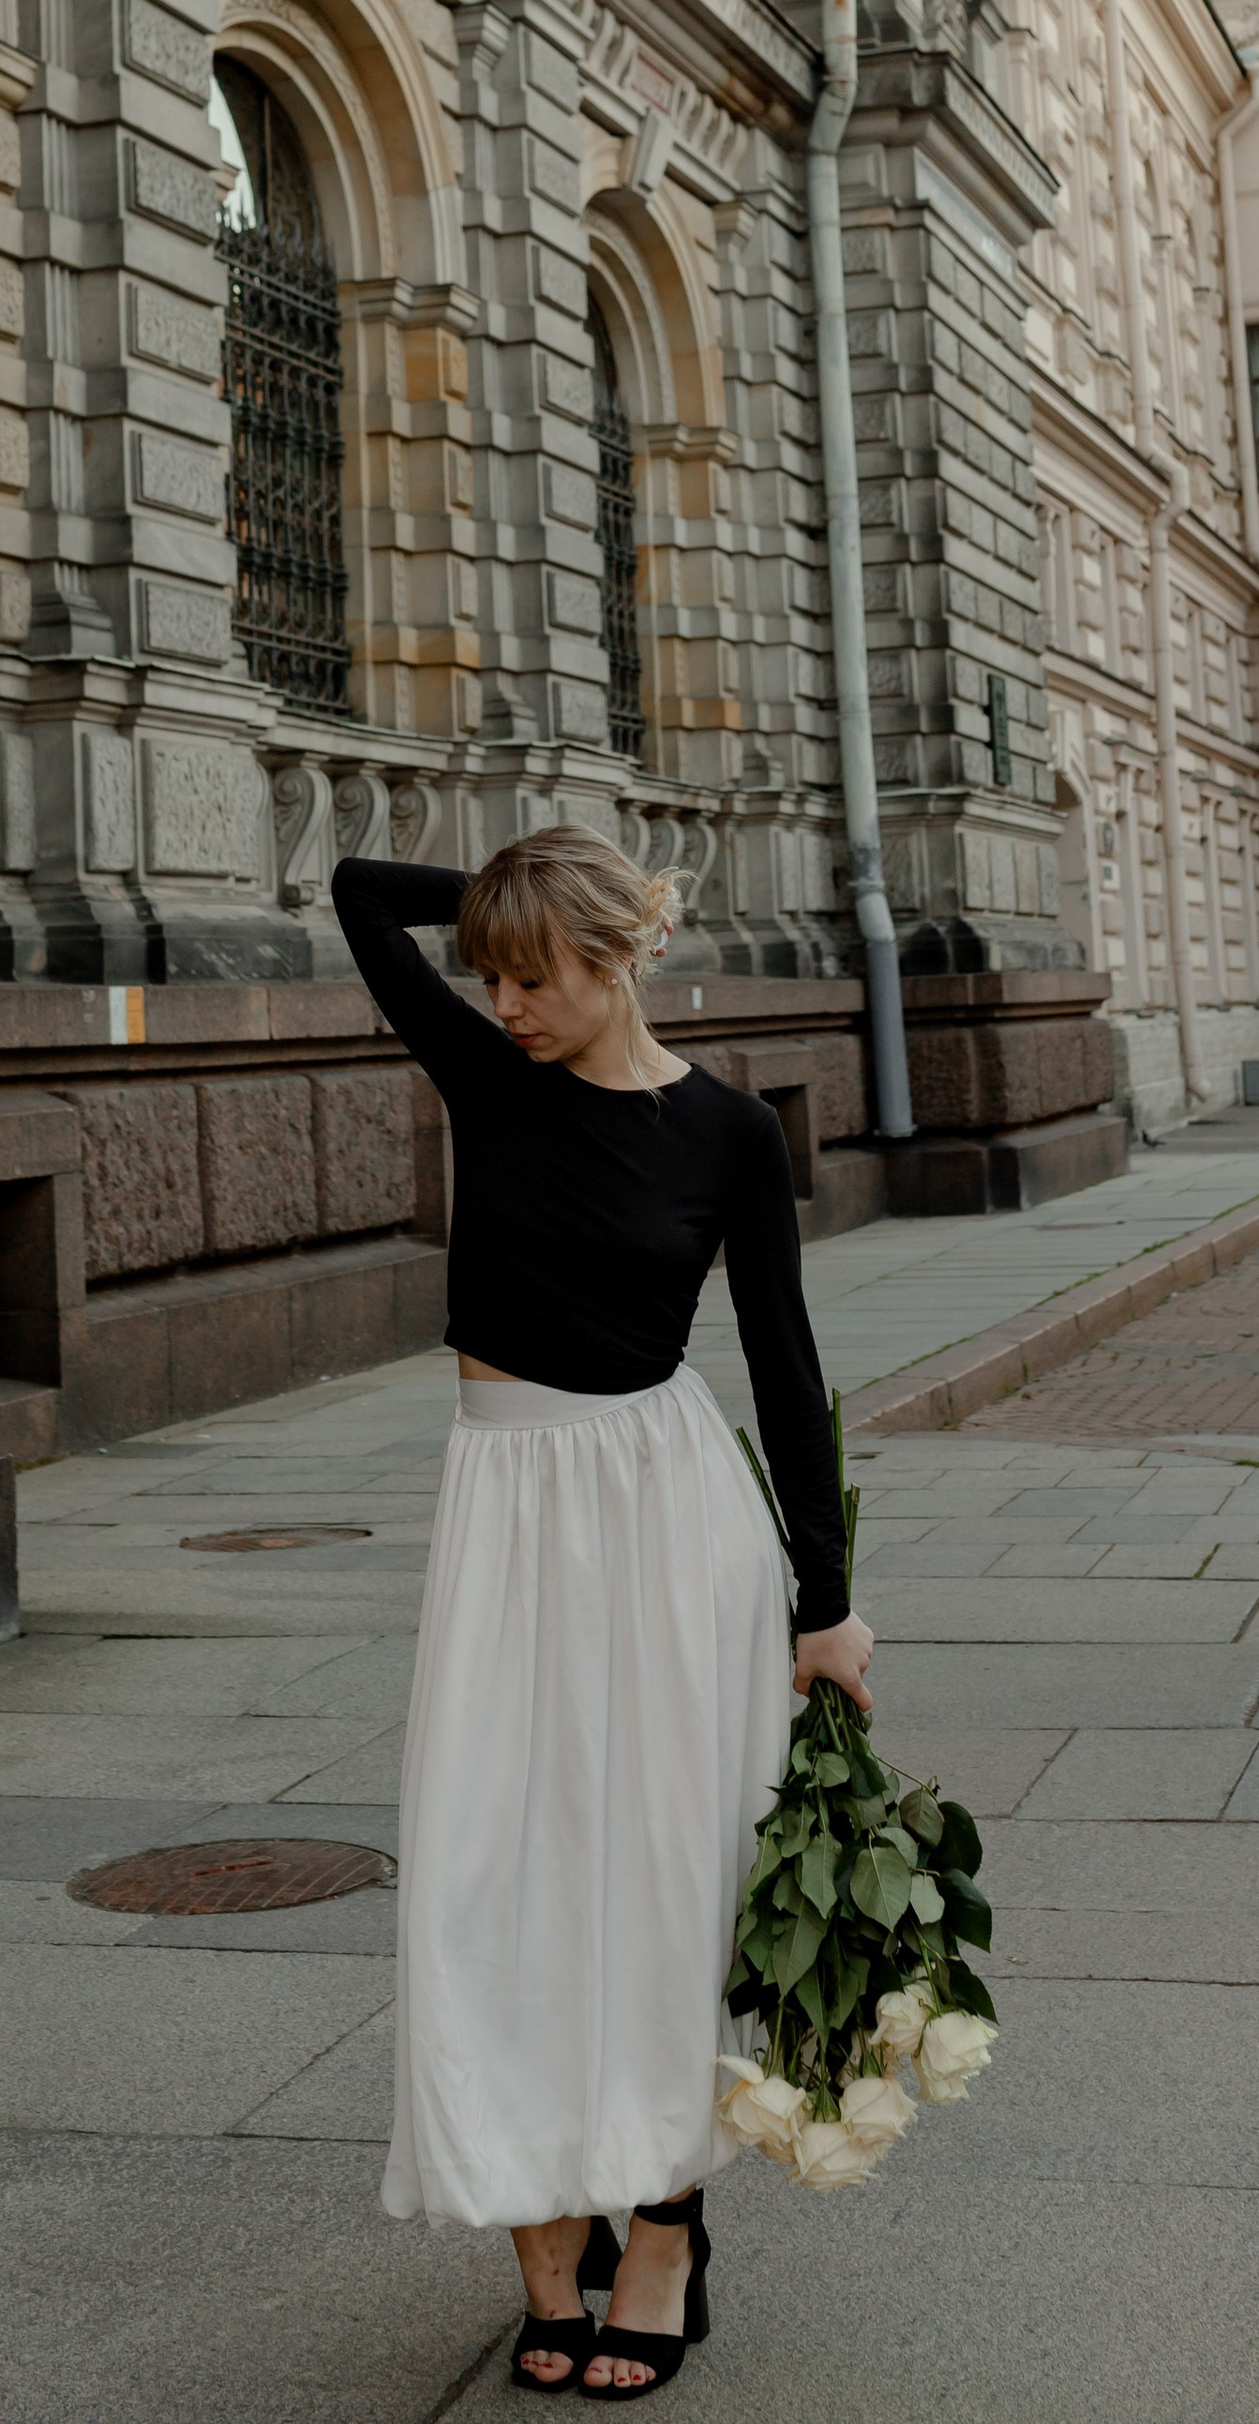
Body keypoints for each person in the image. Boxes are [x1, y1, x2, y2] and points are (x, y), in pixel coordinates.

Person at [331, 827, 872, 2398]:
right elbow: (367, 898)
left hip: (664, 1515)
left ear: (617, 960)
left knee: (659, 1879)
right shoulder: (488, 1070)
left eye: (536, 974)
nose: (502, 1001)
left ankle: (662, 2233)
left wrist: (826, 1606)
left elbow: (786, 1368)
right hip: (505, 1512)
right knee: (490, 1874)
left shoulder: (727, 1137)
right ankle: (534, 2228)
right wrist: (514, 898)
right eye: (490, 975)